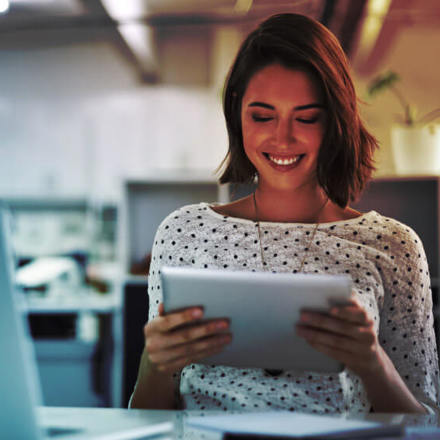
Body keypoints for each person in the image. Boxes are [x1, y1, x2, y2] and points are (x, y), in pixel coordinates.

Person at [130, 13, 439, 414]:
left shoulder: (393, 244)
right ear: (237, 115)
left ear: (335, 122)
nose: (283, 138)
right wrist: (155, 363)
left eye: (306, 118)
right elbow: (147, 416)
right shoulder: (183, 232)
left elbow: (425, 424)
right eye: (262, 116)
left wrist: (372, 363)